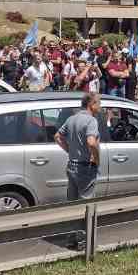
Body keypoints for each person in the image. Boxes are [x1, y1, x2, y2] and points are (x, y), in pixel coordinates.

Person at [55, 92, 101, 249]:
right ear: (91, 104)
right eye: (98, 103)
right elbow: (91, 142)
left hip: (72, 165)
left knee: (73, 204)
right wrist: (95, 157)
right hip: (85, 168)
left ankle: (71, 239)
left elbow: (57, 137)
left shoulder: (71, 119)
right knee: (86, 205)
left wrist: (70, 151)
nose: (100, 107)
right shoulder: (91, 120)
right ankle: (83, 243)